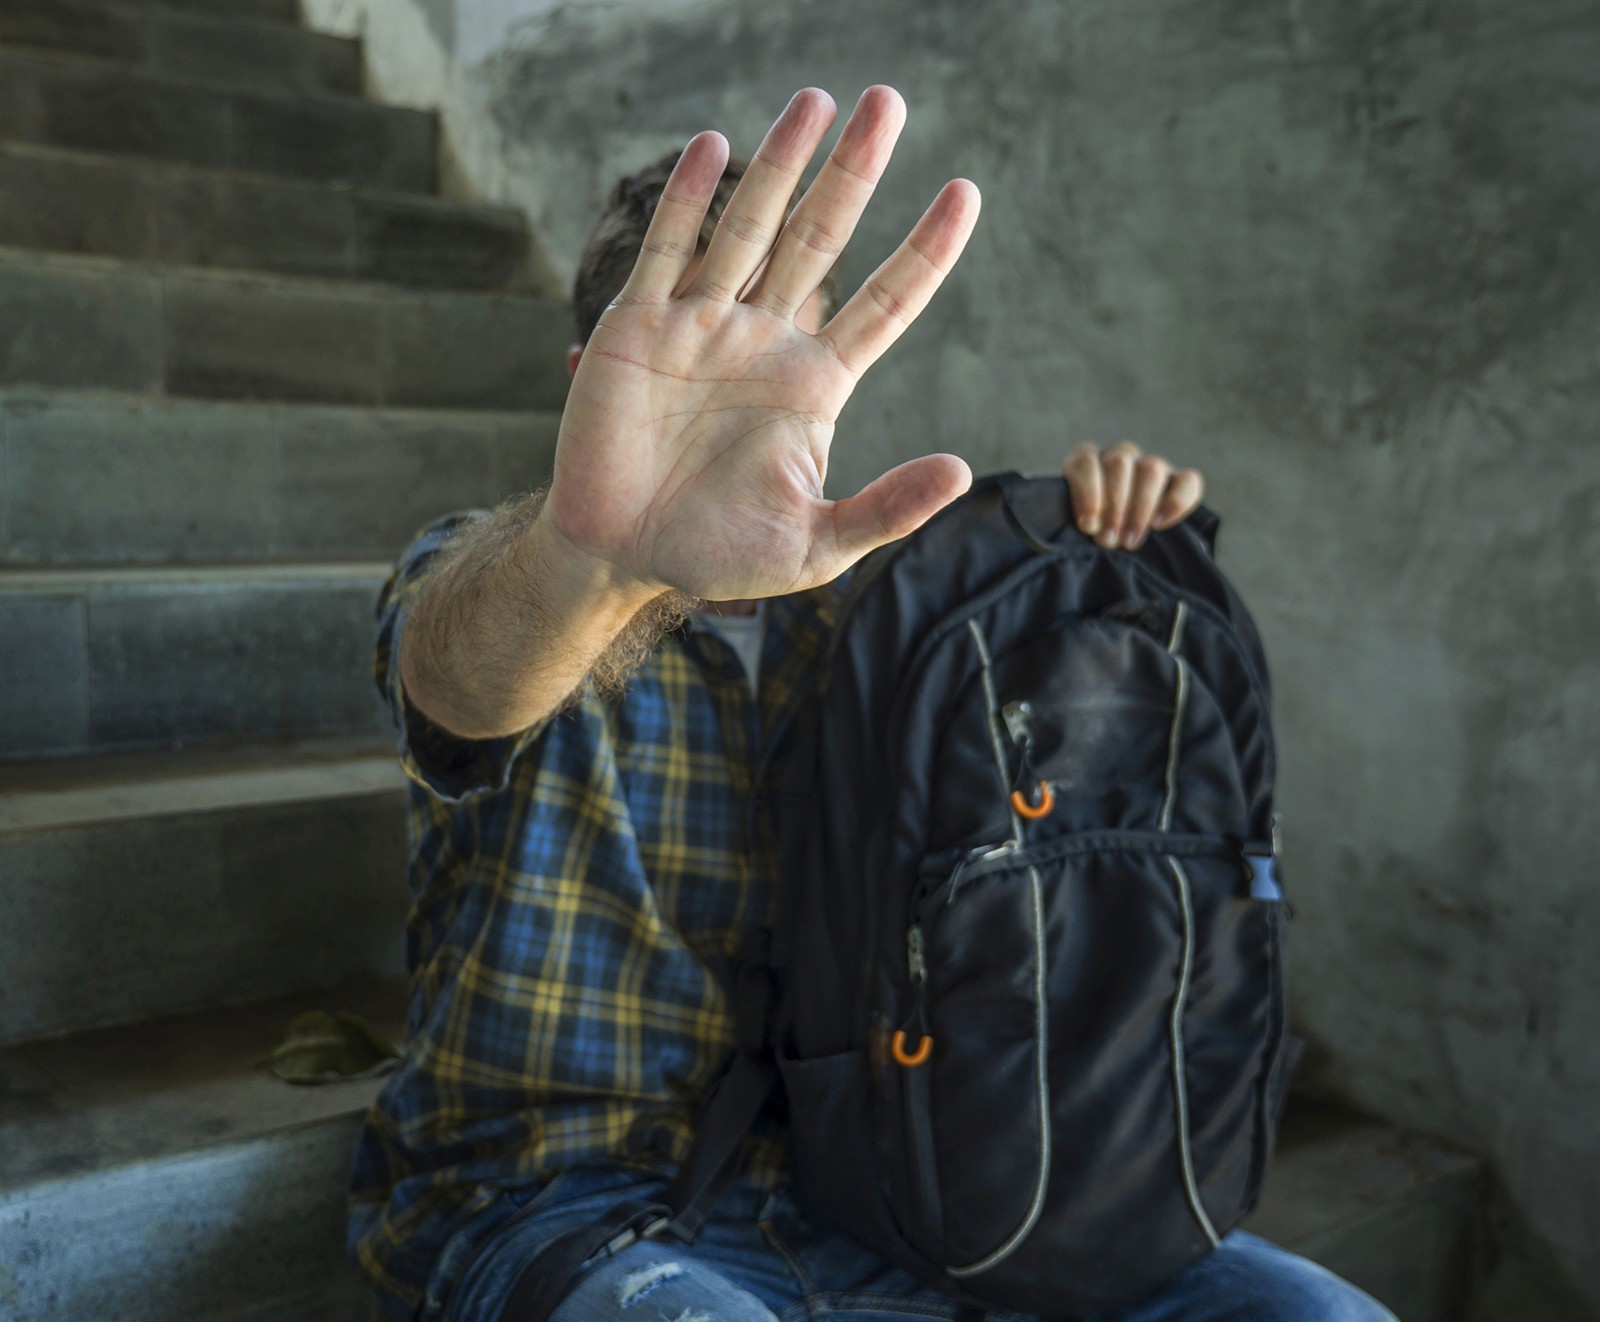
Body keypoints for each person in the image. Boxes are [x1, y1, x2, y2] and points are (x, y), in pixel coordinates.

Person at [350, 87, 1395, 1322]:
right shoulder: (496, 572)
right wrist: (602, 553)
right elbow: (460, 682)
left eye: (767, 346)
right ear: (591, 385)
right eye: (685, 370)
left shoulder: (883, 629)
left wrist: (1112, 558)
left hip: (892, 1195)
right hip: (566, 1209)